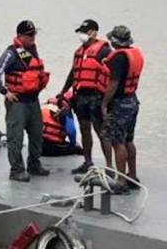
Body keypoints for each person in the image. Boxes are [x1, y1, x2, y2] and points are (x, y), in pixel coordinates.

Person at [0, 20, 51, 182]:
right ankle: (16, 170)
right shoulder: (11, 53)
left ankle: (34, 164)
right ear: (20, 36)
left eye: (34, 34)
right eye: (29, 35)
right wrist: (4, 91)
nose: (33, 37)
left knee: (37, 134)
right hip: (17, 102)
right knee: (16, 137)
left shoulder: (32, 51)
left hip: (33, 100)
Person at [58, 19, 112, 174]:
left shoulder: (104, 51)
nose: (82, 35)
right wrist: (63, 91)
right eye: (81, 32)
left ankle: (109, 166)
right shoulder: (79, 52)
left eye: (85, 31)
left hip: (96, 96)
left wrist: (108, 100)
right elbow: (73, 73)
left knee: (101, 131)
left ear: (94, 31)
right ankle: (87, 162)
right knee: (84, 130)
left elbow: (113, 75)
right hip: (80, 96)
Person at [101, 25, 144, 193]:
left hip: (119, 103)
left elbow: (113, 84)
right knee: (129, 140)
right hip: (133, 100)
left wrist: (104, 104)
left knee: (117, 142)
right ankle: (132, 176)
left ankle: (121, 181)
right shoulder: (134, 54)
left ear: (114, 41)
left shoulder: (118, 59)